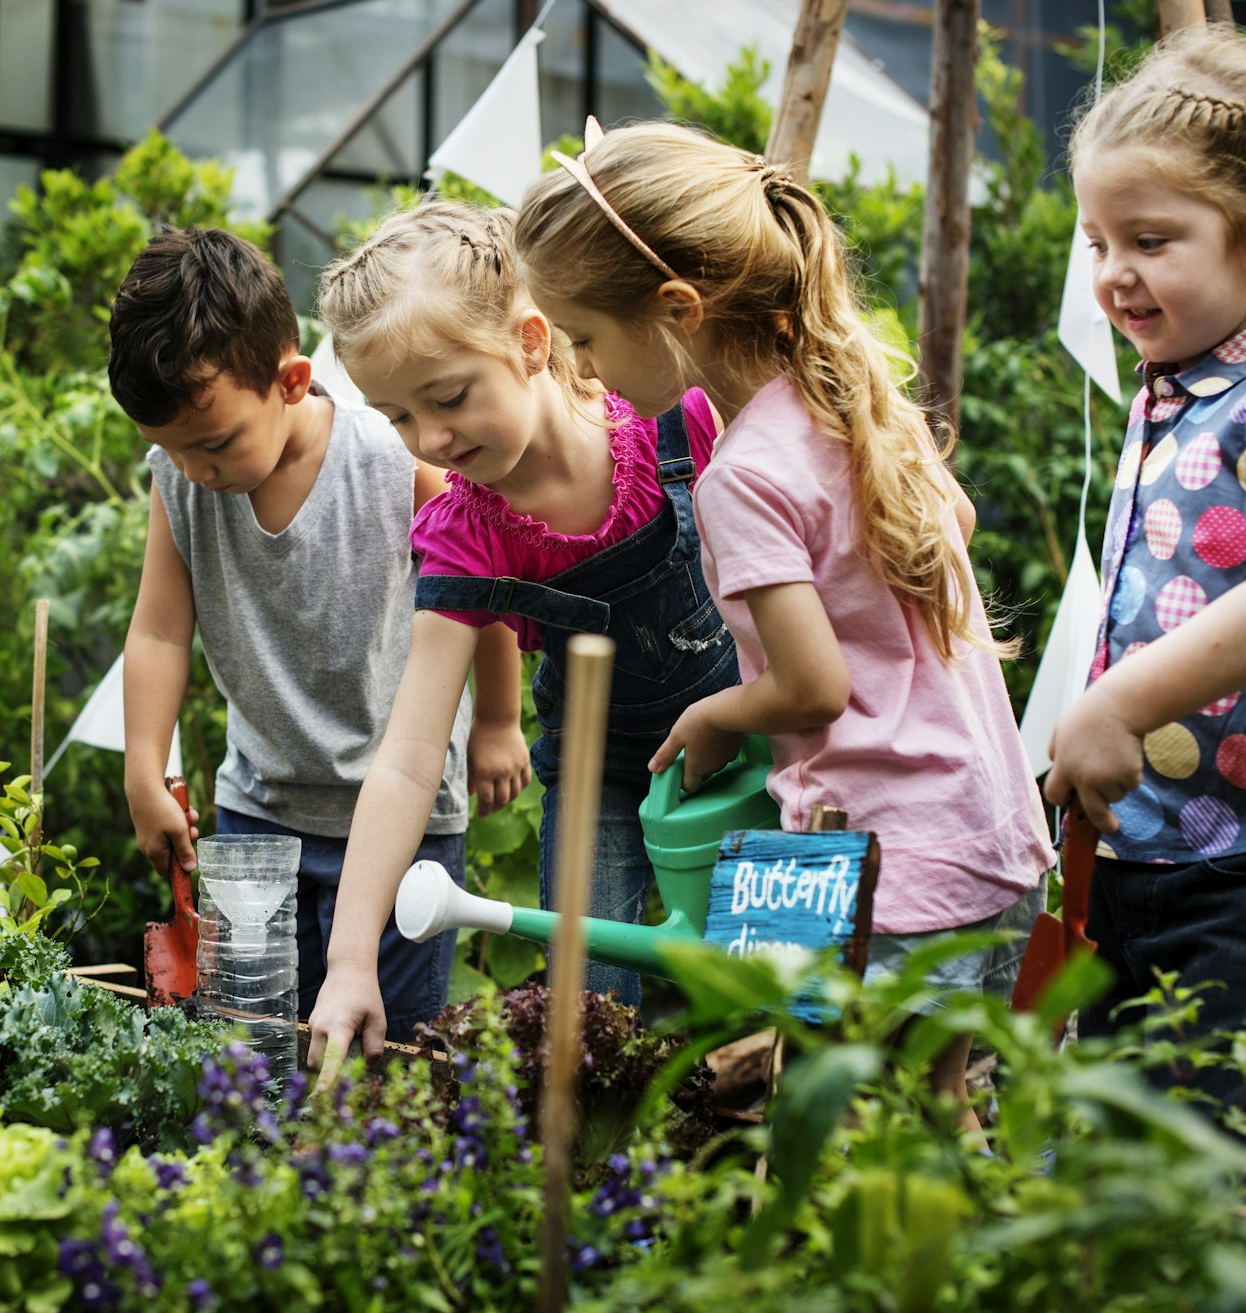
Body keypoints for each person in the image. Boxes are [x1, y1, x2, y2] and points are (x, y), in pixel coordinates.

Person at [512, 122, 1052, 1124]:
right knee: (949, 1120)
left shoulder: (743, 475)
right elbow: (955, 522)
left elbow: (811, 686)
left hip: (885, 861)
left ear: (676, 308)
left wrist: (719, 711)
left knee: (872, 1135)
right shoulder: (844, 396)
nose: (582, 371)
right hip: (984, 825)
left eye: (583, 337)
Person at [1042, 26, 1246, 1151]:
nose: (1110, 274)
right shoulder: (1166, 393)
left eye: (1147, 239)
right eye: (1094, 241)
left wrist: (1113, 704)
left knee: (1214, 1170)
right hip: (1148, 844)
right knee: (1130, 1161)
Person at [306, 199, 739, 1061]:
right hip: (602, 775)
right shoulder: (469, 534)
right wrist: (349, 960)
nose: (428, 438)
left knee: (770, 993)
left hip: (752, 747)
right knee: (586, 1020)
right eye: (396, 416)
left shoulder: (678, 421)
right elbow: (407, 757)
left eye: (449, 397)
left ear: (533, 342)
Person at [111, 228, 523, 1041]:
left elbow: (485, 590)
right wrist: (141, 767)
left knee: (388, 1053)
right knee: (250, 1046)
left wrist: (501, 723)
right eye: (169, 448)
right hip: (258, 812)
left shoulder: (394, 465)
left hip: (406, 819)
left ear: (291, 381)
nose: (195, 468)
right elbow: (159, 632)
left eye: (216, 442)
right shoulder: (182, 483)